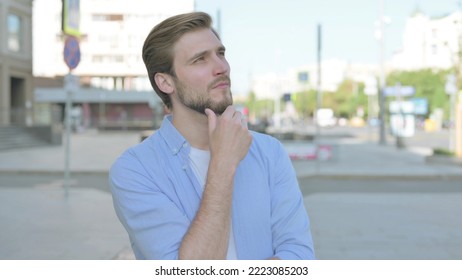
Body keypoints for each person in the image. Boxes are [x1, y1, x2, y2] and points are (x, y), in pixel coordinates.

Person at [109, 11, 315, 260]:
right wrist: (222, 165)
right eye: (200, 60)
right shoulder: (135, 170)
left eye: (221, 53)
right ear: (165, 83)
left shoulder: (269, 151)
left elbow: (299, 254)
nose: (222, 68)